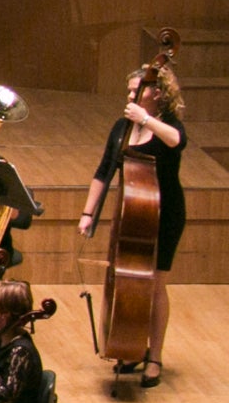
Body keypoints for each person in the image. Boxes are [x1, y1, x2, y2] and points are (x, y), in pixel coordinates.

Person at [79, 55, 186, 385]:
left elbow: (177, 141)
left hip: (165, 212)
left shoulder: (168, 122)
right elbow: (104, 171)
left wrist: (147, 120)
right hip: (131, 212)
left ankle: (155, 356)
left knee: (155, 285)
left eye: (135, 91)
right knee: (126, 279)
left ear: (155, 92)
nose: (129, 97)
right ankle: (131, 347)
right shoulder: (122, 126)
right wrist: (88, 212)